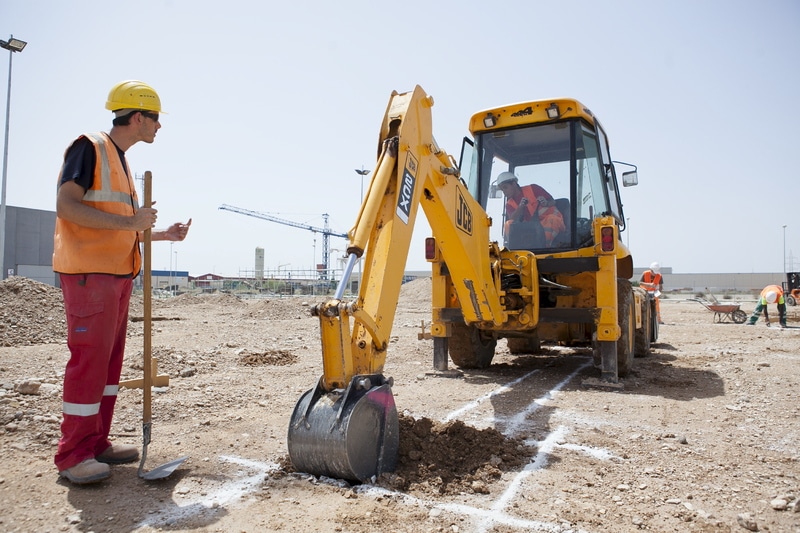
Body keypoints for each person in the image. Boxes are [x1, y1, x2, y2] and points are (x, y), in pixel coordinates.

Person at [53, 80, 192, 485]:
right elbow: (66, 205)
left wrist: (162, 234)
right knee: (89, 363)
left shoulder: (120, 160)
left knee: (108, 366)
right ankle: (73, 454)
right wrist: (132, 222)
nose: (159, 127)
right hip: (89, 275)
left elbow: (121, 226)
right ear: (137, 117)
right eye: (155, 119)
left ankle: (95, 443)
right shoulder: (90, 148)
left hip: (116, 275)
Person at [496, 171, 565, 247]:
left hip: (553, 224)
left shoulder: (533, 188)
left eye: (505, 188)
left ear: (514, 184)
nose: (504, 192)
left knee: (552, 219)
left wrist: (546, 203)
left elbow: (552, 201)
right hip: (531, 230)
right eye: (502, 190)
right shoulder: (509, 204)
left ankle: (545, 248)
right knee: (508, 224)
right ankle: (515, 248)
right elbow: (512, 219)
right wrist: (520, 207)